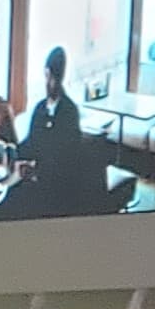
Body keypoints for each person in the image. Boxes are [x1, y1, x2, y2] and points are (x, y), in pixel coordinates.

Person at [17, 47, 94, 216]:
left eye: (53, 77)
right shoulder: (40, 108)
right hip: (40, 178)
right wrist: (11, 152)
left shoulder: (69, 111)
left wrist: (36, 170)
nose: (49, 82)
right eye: (48, 76)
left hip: (60, 186)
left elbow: (66, 157)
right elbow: (31, 143)